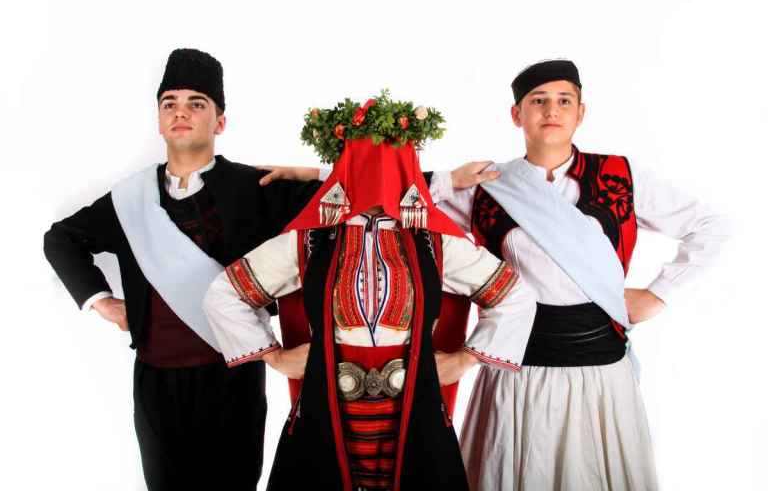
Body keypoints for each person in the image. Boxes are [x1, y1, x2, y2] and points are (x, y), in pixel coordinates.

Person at [203, 92, 538, 491]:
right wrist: (275, 357)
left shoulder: (434, 241)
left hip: (414, 404)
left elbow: (514, 296)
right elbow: (225, 294)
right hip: (328, 404)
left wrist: (464, 360)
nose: (378, 175)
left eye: (390, 160)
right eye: (365, 159)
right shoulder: (311, 239)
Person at [428, 59, 730, 490]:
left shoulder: (621, 176)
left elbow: (712, 226)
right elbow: (390, 201)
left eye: (564, 101)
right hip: (517, 374)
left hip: (601, 376)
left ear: (580, 113)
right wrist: (447, 179)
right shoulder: (486, 186)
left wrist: (658, 293)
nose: (552, 110)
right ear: (517, 114)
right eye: (538, 101)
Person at [43, 48, 322, 490]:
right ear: (158, 120)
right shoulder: (129, 199)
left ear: (220, 122)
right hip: (155, 383)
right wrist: (104, 302)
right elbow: (60, 238)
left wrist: (312, 173)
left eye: (196, 103)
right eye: (169, 103)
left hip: (233, 378)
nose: (180, 112)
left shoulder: (257, 186)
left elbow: (364, 194)